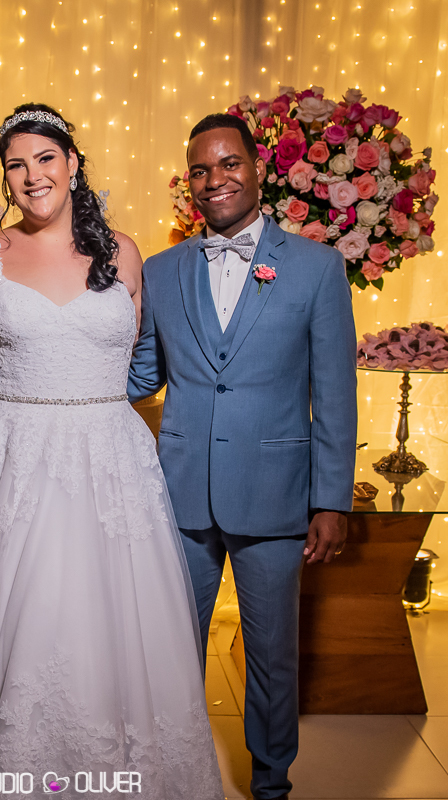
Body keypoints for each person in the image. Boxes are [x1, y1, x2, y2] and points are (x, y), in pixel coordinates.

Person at [0, 104, 224, 799]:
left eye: (45, 158)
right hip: (9, 459)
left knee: (105, 630)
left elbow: (140, 356)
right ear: (3, 178)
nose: (32, 175)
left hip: (107, 461)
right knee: (8, 627)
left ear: (72, 164)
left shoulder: (124, 253)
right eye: (15, 164)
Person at [127, 112, 358, 800]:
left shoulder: (317, 268)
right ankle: (174, 773)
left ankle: (270, 780)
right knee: (171, 650)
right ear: (188, 184)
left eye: (229, 164)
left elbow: (335, 393)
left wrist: (331, 500)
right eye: (200, 170)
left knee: (272, 657)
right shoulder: (162, 271)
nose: (215, 179)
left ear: (257, 170)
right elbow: (143, 375)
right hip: (180, 496)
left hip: (275, 494)